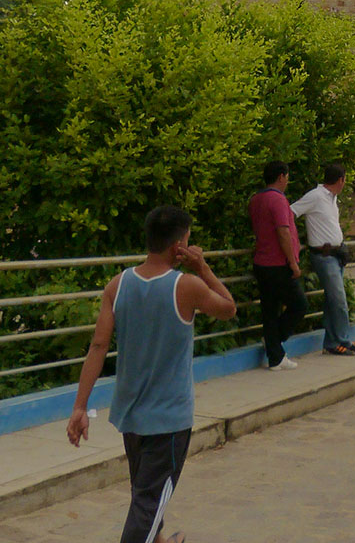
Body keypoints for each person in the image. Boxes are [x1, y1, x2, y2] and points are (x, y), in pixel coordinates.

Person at [66, 205, 236, 543]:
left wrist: (79, 407)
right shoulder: (186, 286)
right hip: (169, 421)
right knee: (147, 502)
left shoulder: (118, 285)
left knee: (145, 492)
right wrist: (202, 266)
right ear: (179, 247)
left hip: (132, 415)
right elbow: (228, 308)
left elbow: (97, 348)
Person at [291, 161, 355, 357]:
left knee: (332, 301)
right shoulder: (315, 196)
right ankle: (342, 340)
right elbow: (291, 212)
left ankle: (332, 342)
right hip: (324, 256)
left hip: (336, 254)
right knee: (339, 300)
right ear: (340, 180)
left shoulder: (332, 198)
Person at [249, 159, 308, 370]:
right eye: (287, 177)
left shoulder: (256, 199)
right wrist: (292, 262)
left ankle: (276, 357)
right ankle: (273, 342)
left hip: (261, 262)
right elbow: (283, 231)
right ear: (281, 176)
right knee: (299, 305)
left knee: (270, 309)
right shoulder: (278, 200)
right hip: (277, 263)